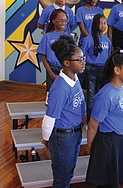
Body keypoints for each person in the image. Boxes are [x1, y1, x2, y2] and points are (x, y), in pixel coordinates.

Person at [41, 35, 86, 188]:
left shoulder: (75, 78)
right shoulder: (60, 88)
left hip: (75, 133)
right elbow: (49, 117)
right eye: (79, 59)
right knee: (62, 177)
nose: (83, 62)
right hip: (63, 137)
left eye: (83, 58)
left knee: (68, 172)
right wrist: (47, 139)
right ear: (67, 63)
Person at [86, 51, 123, 187]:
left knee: (117, 180)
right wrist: (90, 145)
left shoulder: (122, 89)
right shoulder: (105, 95)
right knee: (108, 182)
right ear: (117, 70)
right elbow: (92, 124)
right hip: (109, 143)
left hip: (121, 140)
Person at [37, 9, 71, 102]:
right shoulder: (47, 37)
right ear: (53, 21)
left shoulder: (68, 37)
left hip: (65, 69)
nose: (63, 23)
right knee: (52, 96)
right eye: (60, 20)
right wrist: (51, 74)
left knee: (65, 95)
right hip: (52, 68)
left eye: (65, 20)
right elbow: (43, 57)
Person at [81, 14, 111, 121]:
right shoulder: (88, 39)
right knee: (91, 96)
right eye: (101, 23)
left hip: (103, 70)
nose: (103, 26)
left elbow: (108, 56)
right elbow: (83, 55)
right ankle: (90, 121)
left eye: (105, 23)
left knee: (101, 96)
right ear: (95, 24)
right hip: (91, 70)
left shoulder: (107, 40)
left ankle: (99, 119)